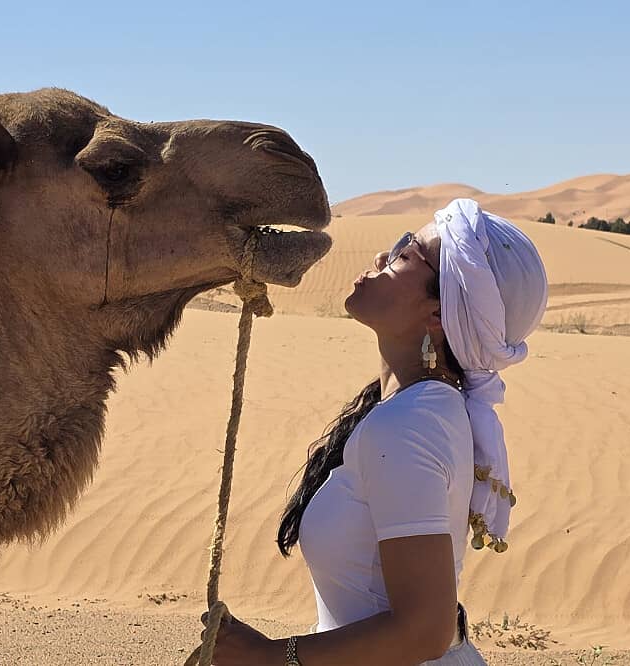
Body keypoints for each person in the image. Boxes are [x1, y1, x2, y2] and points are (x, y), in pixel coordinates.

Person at [201, 198, 548, 665]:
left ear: (437, 316)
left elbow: (424, 631)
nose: (383, 257)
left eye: (406, 254)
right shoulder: (420, 409)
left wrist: (267, 658)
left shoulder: (409, 426)